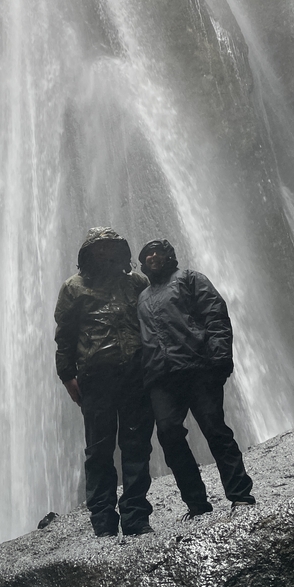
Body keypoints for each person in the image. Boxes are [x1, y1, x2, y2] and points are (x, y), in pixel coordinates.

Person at [136, 238, 255, 517]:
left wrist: (220, 359)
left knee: (215, 430)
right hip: (161, 378)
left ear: (168, 255)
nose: (152, 257)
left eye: (157, 252)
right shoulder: (141, 297)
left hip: (197, 368)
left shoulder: (190, 279)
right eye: (146, 254)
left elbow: (215, 315)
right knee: (169, 437)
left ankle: (240, 494)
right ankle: (196, 504)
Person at [54, 227, 155, 537]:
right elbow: (64, 337)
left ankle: (136, 517)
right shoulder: (74, 288)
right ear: (88, 254)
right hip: (95, 380)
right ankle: (102, 520)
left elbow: (152, 323)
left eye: (112, 248)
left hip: (135, 376)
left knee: (136, 446)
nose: (107, 254)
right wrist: (67, 375)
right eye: (100, 249)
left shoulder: (136, 283)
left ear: (122, 253)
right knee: (99, 450)